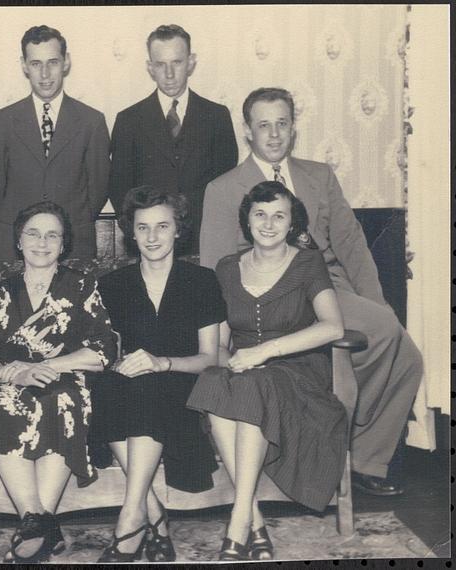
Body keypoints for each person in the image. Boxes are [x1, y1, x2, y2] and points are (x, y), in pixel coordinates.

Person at [199, 87, 423, 496]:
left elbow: (351, 245)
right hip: (265, 293)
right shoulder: (224, 188)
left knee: (403, 351)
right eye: (263, 125)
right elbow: (215, 269)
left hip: (327, 286)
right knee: (382, 339)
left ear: (293, 128)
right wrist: (220, 338)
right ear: (247, 131)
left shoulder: (319, 176)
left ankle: (364, 456)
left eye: (282, 124)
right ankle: (340, 447)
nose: (273, 134)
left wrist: (376, 307)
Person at [188, 182, 348, 560]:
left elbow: (333, 327)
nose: (269, 223)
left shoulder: (309, 263)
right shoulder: (227, 268)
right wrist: (233, 361)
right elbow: (223, 346)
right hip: (246, 373)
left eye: (279, 215)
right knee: (213, 378)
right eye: (260, 214)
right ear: (247, 219)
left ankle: (238, 519)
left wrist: (266, 350)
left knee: (256, 380)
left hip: (298, 374)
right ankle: (252, 520)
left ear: (293, 222)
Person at [0, 201, 116, 563]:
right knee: (1, 400)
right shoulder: (1, 291)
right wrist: (16, 373)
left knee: (62, 398)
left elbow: (104, 348)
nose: (42, 241)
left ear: (64, 243)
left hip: (66, 380)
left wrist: (52, 364)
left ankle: (33, 528)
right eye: (33, 233)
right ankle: (39, 524)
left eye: (53, 234)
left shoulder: (81, 285)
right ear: (18, 241)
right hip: (12, 383)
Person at [90, 186, 224, 562]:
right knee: (109, 388)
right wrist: (121, 365)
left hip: (183, 384)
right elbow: (106, 352)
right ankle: (153, 516)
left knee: (146, 389)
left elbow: (210, 358)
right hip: (130, 387)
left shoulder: (202, 280)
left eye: (162, 226)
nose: (152, 237)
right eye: (143, 227)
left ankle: (130, 520)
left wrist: (163, 362)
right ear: (130, 233)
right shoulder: (112, 285)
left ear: (178, 230)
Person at [0, 25, 110, 260]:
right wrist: (15, 228)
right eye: (36, 64)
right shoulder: (2, 121)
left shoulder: (92, 121)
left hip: (74, 244)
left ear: (66, 62)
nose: (45, 74)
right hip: (15, 245)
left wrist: (73, 224)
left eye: (52, 62)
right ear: (24, 65)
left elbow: (98, 189)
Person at [109, 24, 238, 254]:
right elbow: (119, 189)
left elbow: (225, 184)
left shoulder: (216, 116)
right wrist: (139, 232)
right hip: (149, 243)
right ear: (150, 67)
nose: (169, 74)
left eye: (177, 63)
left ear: (190, 62)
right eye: (160, 64)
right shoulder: (129, 120)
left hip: (203, 240)